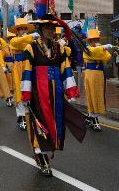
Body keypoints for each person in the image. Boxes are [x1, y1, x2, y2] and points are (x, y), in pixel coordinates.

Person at [21, 14, 85, 176]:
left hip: (56, 92)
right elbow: (27, 71)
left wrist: (70, 89)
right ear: (41, 29)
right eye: (47, 28)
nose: (50, 30)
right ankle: (41, 157)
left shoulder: (60, 47)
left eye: (52, 28)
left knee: (54, 123)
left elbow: (66, 68)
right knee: (40, 123)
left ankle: (47, 149)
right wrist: (26, 93)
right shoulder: (31, 47)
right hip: (38, 92)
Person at [9, 18, 38, 131]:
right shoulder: (14, 40)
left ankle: (28, 114)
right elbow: (19, 43)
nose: (23, 31)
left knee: (30, 89)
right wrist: (31, 37)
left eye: (25, 29)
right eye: (21, 29)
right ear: (17, 31)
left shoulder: (31, 41)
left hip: (29, 65)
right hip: (19, 66)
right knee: (19, 89)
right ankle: (21, 116)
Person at [83, 29, 112, 132]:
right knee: (92, 95)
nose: (96, 41)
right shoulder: (87, 49)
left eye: (97, 39)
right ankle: (94, 120)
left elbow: (107, 57)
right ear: (90, 41)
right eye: (94, 40)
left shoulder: (99, 49)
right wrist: (102, 48)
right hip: (91, 74)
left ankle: (89, 117)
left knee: (98, 95)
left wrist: (103, 49)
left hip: (99, 74)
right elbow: (91, 53)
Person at [0, 30, 16, 107]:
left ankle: (13, 97)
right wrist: (3, 66)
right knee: (8, 83)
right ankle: (8, 99)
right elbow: (1, 57)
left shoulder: (16, 46)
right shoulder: (4, 46)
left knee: (14, 82)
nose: (11, 39)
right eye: (10, 38)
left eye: (13, 37)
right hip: (8, 65)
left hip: (15, 65)